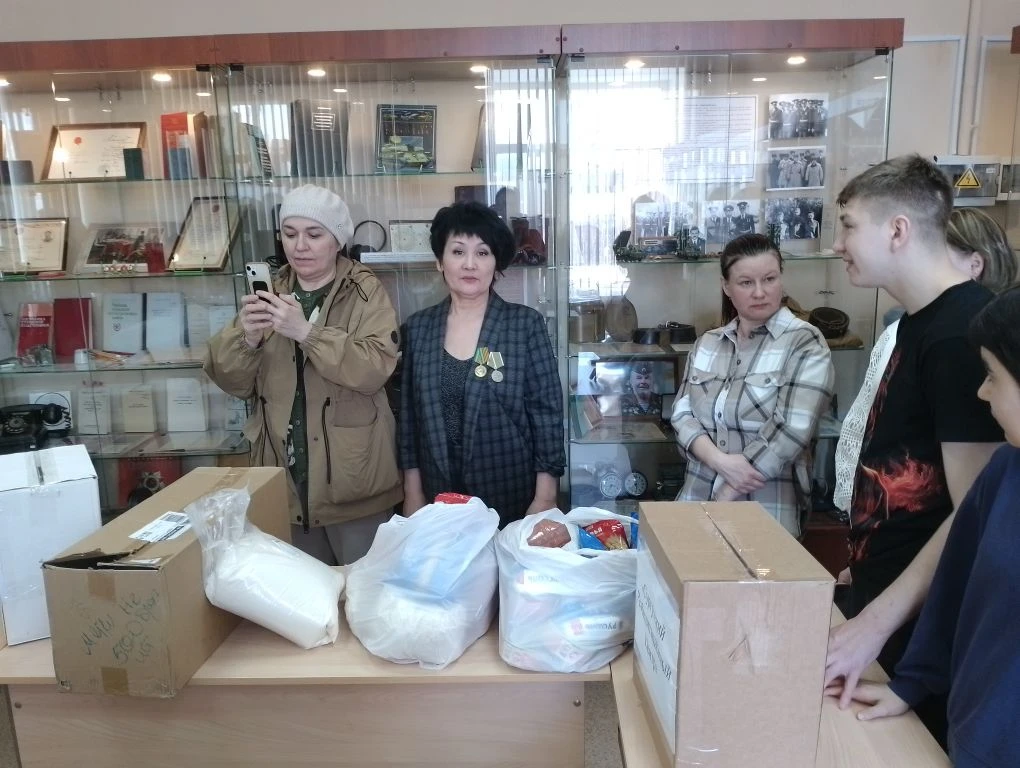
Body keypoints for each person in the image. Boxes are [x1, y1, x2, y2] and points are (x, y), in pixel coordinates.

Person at [822, 155, 1004, 742]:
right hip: (887, 599)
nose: (837, 244)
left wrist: (877, 622)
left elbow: (973, 515)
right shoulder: (916, 322)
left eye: (849, 225)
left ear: (897, 230)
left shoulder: (958, 334)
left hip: (920, 628)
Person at [828, 286, 1020, 768]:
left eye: (992, 376)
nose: (981, 392)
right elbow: (954, 585)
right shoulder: (1002, 474)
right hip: (973, 738)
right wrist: (910, 683)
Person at [205, 184, 402, 565]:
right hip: (284, 477)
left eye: (314, 234)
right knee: (299, 592)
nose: (300, 246)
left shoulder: (364, 291)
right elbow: (231, 381)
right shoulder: (270, 291)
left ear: (337, 240)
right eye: (290, 233)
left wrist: (306, 332)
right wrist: (248, 340)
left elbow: (374, 368)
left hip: (352, 479)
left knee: (362, 590)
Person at [399, 201, 565, 528]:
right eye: (458, 251)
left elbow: (547, 415)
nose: (470, 264)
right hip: (438, 499)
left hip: (512, 496)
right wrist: (412, 493)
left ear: (496, 262)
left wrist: (545, 498)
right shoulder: (419, 328)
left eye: (483, 252)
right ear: (440, 261)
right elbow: (409, 421)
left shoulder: (524, 325)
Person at [670, 233, 835, 537]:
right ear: (726, 287)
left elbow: (791, 429)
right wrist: (719, 461)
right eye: (746, 282)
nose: (760, 292)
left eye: (769, 279)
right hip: (694, 502)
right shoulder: (708, 343)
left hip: (766, 513)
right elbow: (681, 414)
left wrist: (726, 492)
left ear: (781, 278)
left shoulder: (804, 342)